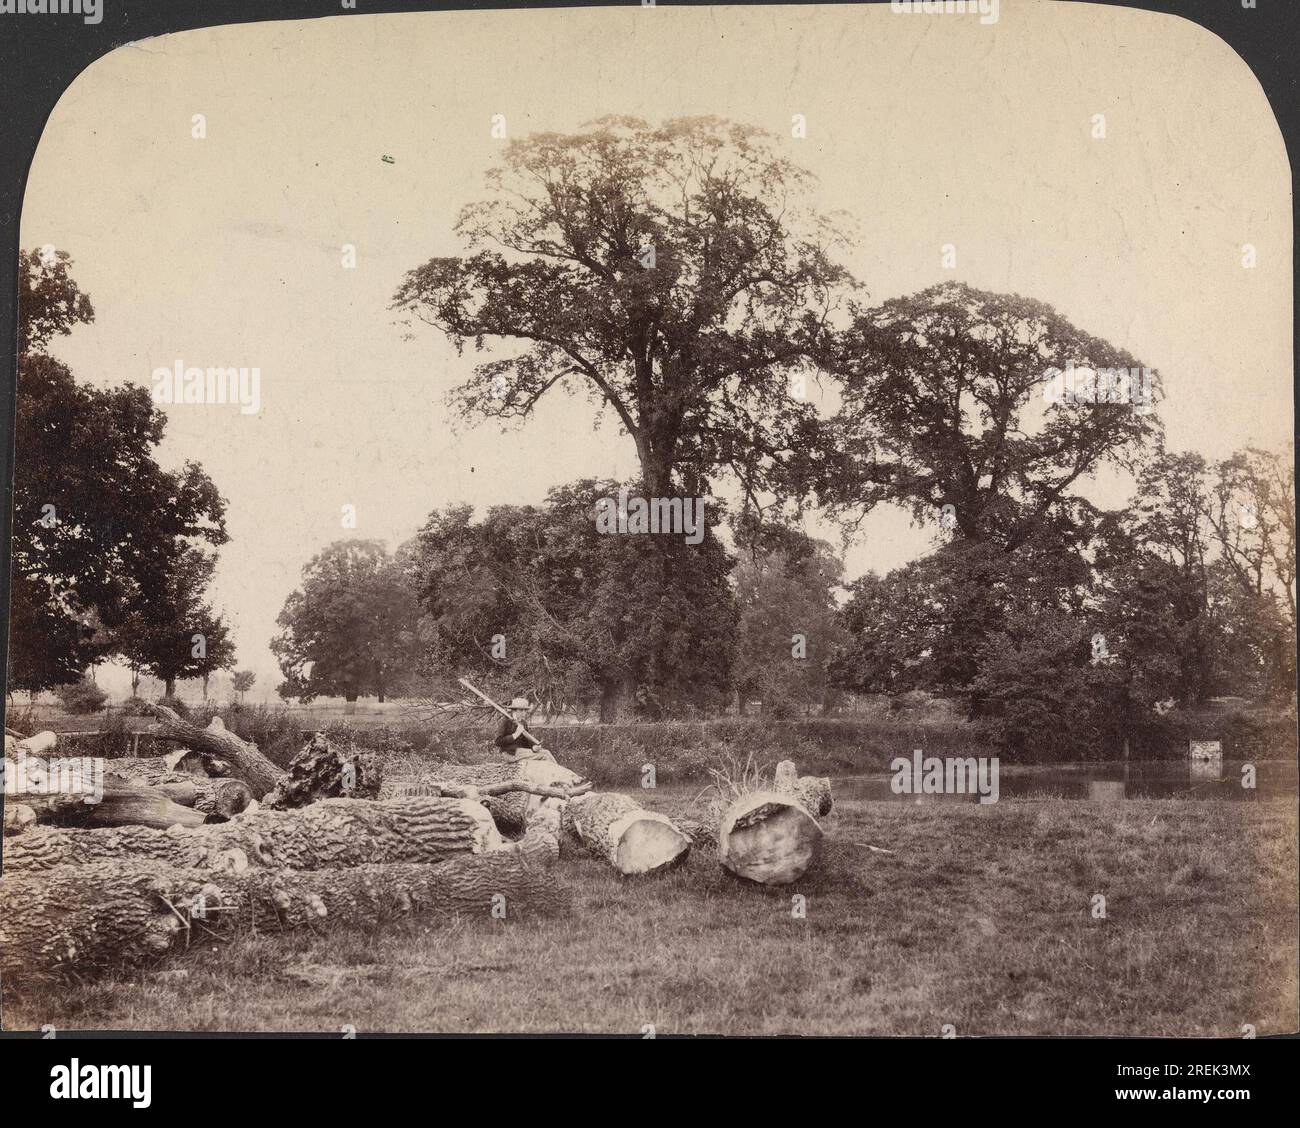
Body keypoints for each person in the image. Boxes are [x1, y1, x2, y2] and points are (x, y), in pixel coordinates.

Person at [494, 696, 555, 763]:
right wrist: (515, 735)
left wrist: (534, 747)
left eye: (525, 710)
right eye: (521, 710)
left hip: (520, 751)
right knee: (545, 755)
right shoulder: (506, 721)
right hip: (510, 753)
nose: (524, 713)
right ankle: (557, 773)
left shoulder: (523, 723)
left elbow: (526, 742)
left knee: (546, 752)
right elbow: (497, 741)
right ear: (514, 710)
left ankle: (559, 772)